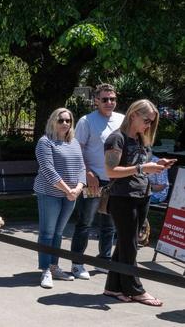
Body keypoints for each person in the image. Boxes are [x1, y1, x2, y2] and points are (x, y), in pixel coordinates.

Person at [103, 99, 176, 306]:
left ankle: (112, 287)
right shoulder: (117, 138)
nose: (149, 125)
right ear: (133, 114)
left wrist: (157, 165)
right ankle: (135, 290)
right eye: (146, 120)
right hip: (123, 198)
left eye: (152, 122)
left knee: (126, 244)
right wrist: (143, 169)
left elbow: (142, 165)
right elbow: (110, 171)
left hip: (142, 195)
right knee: (130, 246)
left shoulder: (140, 139)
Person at [70, 83, 124, 280]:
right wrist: (88, 172)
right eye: (105, 99)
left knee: (109, 224)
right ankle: (77, 263)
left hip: (114, 181)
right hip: (93, 181)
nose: (109, 102)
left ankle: (104, 260)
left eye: (112, 99)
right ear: (96, 101)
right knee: (85, 222)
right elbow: (77, 150)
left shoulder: (122, 120)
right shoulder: (87, 121)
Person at [34, 108, 86, 288]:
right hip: (50, 193)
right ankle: (45, 270)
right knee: (47, 232)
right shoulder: (45, 142)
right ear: (53, 121)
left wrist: (78, 188)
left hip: (70, 195)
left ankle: (54, 266)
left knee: (58, 232)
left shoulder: (74, 142)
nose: (65, 123)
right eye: (61, 120)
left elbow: (81, 167)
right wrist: (68, 190)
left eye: (68, 120)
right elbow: (48, 170)